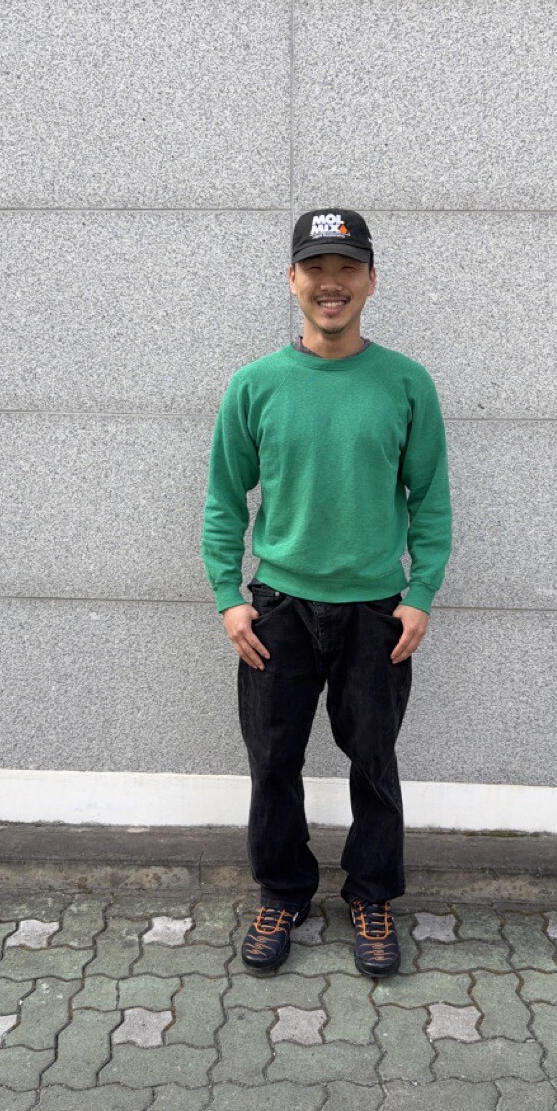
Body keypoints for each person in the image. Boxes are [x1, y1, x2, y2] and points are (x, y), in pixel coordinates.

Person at [201, 208, 452, 977]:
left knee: (373, 760)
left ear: (371, 280)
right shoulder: (255, 386)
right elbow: (223, 500)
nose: (331, 284)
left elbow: (430, 501)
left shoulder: (406, 384)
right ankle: (283, 893)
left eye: (346, 269)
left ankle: (371, 896)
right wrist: (228, 596)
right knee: (272, 761)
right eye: (316, 269)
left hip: (376, 612)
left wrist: (420, 593)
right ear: (293, 280)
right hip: (277, 610)